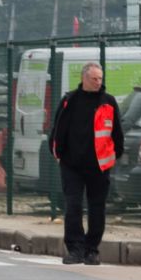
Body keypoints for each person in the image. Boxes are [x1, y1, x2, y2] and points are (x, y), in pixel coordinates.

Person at [49, 62, 124, 265]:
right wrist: (57, 152)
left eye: (100, 79)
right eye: (94, 78)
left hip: (99, 165)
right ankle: (75, 249)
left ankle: (92, 250)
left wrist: (115, 154)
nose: (98, 82)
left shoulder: (108, 102)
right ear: (84, 78)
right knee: (73, 206)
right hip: (71, 165)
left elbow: (117, 132)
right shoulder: (69, 100)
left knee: (97, 208)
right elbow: (57, 128)